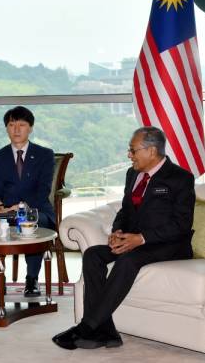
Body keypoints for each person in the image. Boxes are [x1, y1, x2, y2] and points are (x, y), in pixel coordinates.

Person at [52, 126, 195, 350]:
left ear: (151, 151)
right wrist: (117, 232)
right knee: (92, 255)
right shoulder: (133, 174)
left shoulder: (181, 178)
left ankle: (87, 327)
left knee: (128, 261)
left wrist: (141, 238)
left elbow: (182, 225)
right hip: (134, 241)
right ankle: (107, 333)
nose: (129, 155)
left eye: (132, 150)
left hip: (169, 245)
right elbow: (126, 210)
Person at [0, 106, 55, 297]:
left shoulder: (45, 155)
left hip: (37, 209)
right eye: (11, 125)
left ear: (30, 128)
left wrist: (22, 207)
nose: (16, 130)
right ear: (6, 128)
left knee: (31, 221)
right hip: (6, 211)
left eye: (21, 125)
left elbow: (43, 190)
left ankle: (31, 280)